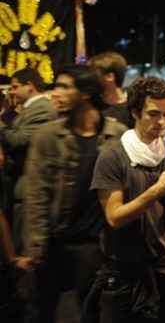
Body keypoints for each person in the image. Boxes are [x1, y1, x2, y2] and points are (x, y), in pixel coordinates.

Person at [22, 64, 127, 323]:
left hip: (94, 245)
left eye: (64, 86)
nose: (55, 93)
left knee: (90, 313)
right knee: (41, 312)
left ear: (86, 93)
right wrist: (35, 246)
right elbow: (36, 194)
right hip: (54, 241)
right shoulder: (48, 136)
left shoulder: (116, 135)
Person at [88, 76, 165, 323]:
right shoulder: (113, 156)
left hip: (162, 263)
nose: (162, 122)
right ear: (135, 112)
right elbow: (114, 217)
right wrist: (155, 191)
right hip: (123, 267)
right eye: (154, 114)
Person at [0, 68, 57, 252]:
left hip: (29, 188)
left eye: (15, 87)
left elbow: (20, 141)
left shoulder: (42, 109)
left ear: (30, 86)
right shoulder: (30, 110)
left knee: (25, 252)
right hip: (18, 187)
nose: (12, 91)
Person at [89, 51, 132, 127]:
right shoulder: (92, 104)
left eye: (94, 75)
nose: (91, 79)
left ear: (110, 77)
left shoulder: (134, 104)